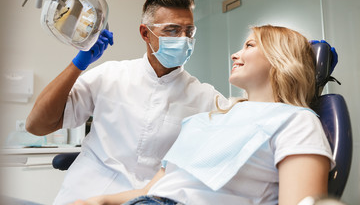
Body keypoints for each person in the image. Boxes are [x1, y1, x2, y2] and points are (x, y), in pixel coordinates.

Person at [70, 25, 335, 205]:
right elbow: (155, 189)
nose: (235, 54)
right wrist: (99, 200)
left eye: (250, 45)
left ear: (281, 58)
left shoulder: (295, 121)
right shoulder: (206, 120)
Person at [25, 0, 228, 204]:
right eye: (172, 30)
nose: (184, 39)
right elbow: (36, 125)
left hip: (147, 200)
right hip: (84, 193)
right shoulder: (110, 75)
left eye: (189, 31)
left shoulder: (206, 98)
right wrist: (78, 64)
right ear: (145, 33)